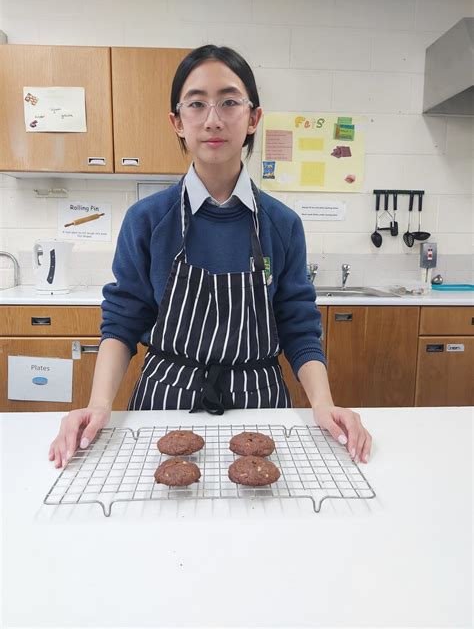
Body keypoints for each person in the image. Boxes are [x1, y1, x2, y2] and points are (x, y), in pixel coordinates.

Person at [49, 45, 372, 469]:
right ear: (177, 122)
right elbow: (124, 318)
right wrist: (97, 405)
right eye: (197, 103)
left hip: (260, 402)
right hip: (164, 400)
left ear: (253, 117)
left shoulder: (282, 224)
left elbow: (298, 323)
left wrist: (324, 405)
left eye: (229, 101)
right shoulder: (147, 220)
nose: (213, 118)